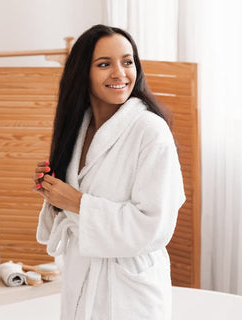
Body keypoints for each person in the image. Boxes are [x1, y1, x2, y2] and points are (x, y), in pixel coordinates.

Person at [32, 24, 185, 320]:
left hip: (129, 293)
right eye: (104, 64)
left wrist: (75, 202)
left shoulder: (150, 131)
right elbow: (72, 210)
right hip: (82, 280)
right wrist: (53, 193)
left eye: (127, 61)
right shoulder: (78, 129)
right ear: (82, 73)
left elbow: (153, 226)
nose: (120, 73)